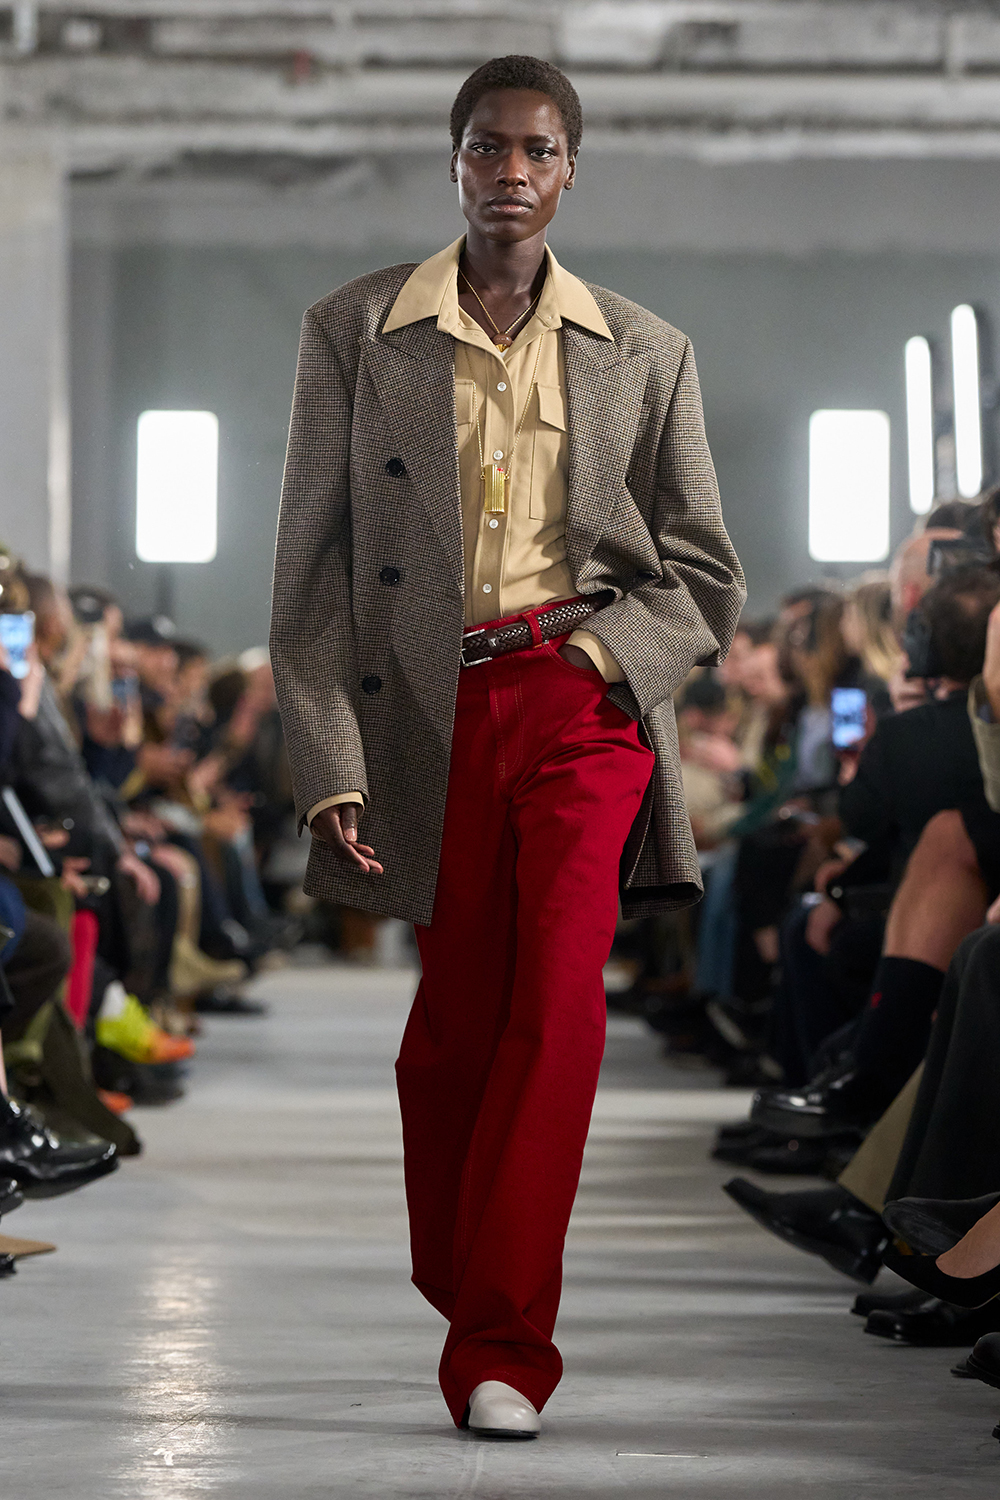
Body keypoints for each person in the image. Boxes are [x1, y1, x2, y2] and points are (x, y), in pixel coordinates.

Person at [270, 54, 744, 1438]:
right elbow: (310, 574)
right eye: (489, 147)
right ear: (455, 160)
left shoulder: (646, 350)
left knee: (560, 1006)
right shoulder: (356, 329)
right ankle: (475, 1281)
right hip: (425, 709)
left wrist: (601, 661)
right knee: (450, 1040)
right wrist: (331, 758)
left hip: (582, 704)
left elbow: (707, 572)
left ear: (570, 171)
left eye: (539, 150)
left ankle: (505, 1349)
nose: (513, 172)